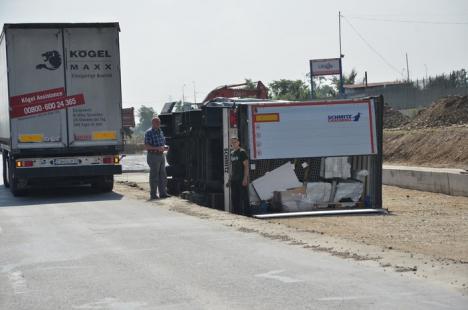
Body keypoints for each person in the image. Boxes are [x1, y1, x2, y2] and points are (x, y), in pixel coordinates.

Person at [144, 116, 170, 200]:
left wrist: (165, 147)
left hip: (161, 155)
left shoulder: (160, 132)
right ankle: (153, 194)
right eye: (156, 122)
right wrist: (157, 148)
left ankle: (163, 193)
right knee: (154, 176)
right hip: (153, 156)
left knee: (163, 175)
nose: (158, 124)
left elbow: (162, 143)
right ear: (152, 123)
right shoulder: (148, 132)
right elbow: (147, 146)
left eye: (159, 122)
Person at [229, 137, 249, 215]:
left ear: (238, 142)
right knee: (234, 198)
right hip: (234, 179)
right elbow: (232, 167)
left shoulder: (242, 152)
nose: (233, 144)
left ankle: (247, 214)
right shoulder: (232, 153)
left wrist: (245, 178)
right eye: (232, 142)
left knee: (244, 198)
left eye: (235, 142)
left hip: (241, 178)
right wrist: (230, 178)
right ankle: (237, 215)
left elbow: (246, 166)